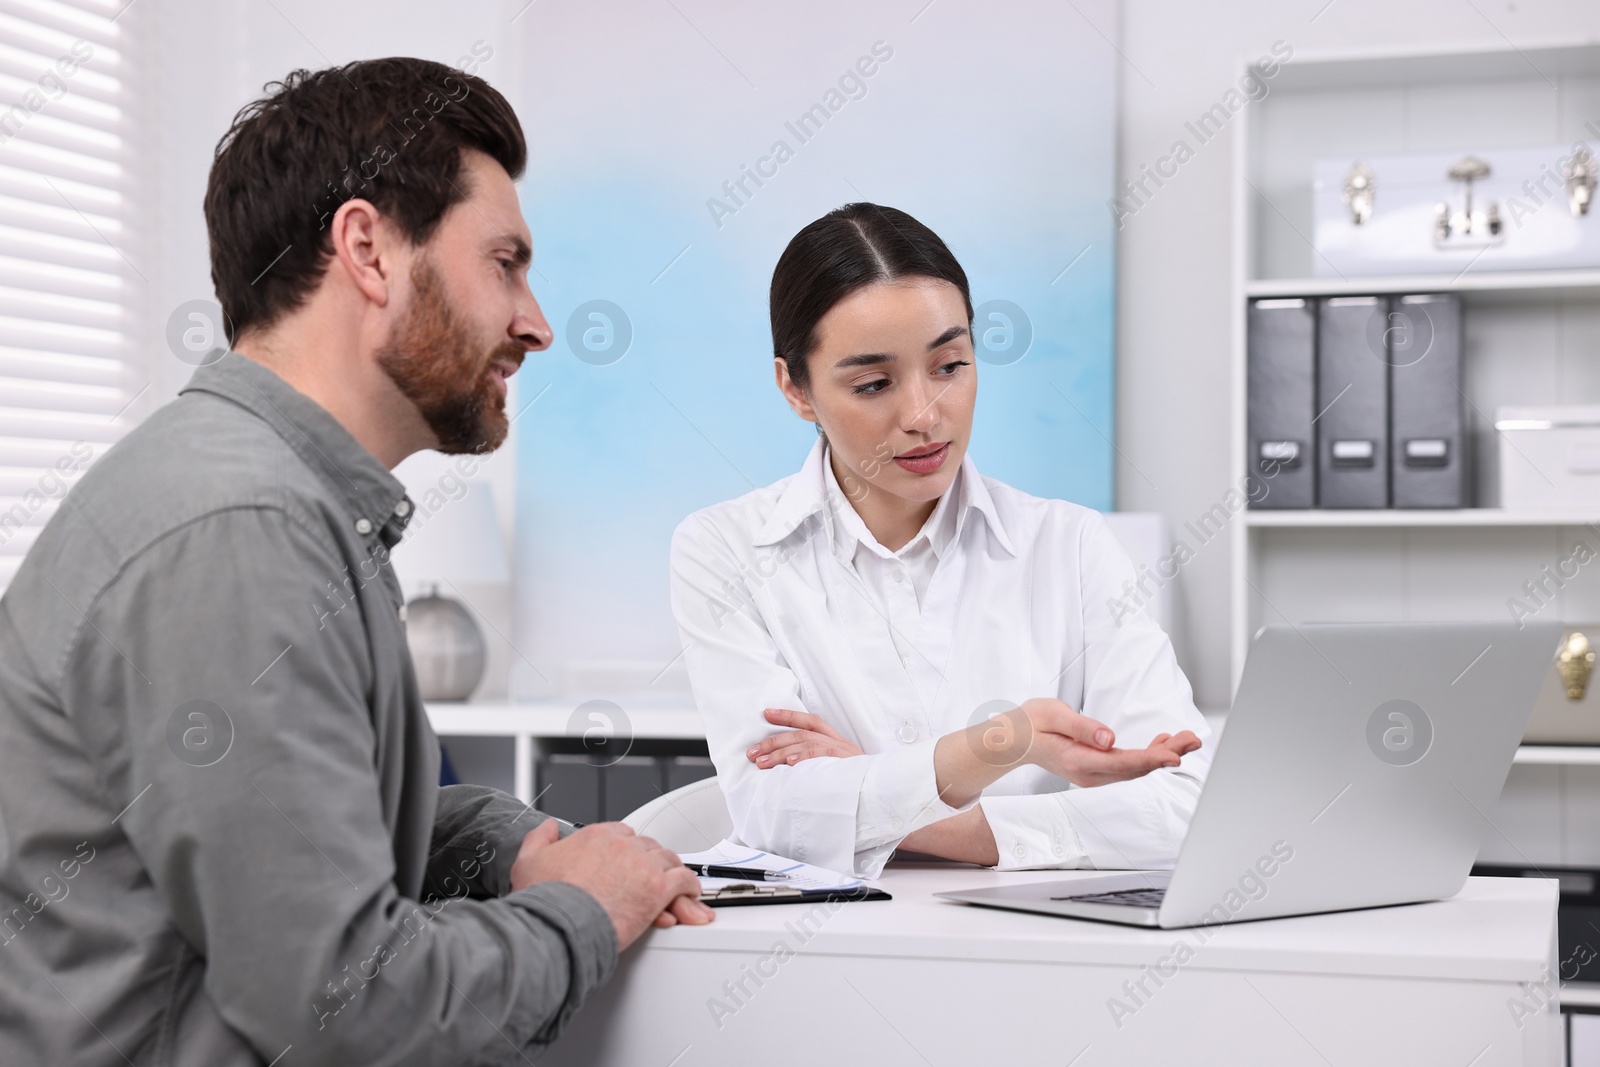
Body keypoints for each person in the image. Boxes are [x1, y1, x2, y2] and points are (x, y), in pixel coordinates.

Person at [0, 58, 709, 1067]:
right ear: (369, 249)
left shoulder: (272, 498)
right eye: (504, 261)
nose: (536, 323)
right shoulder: (240, 530)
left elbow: (305, 826)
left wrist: (505, 844)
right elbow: (347, 1001)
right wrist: (583, 910)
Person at [670, 203, 1211, 878]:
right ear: (796, 389)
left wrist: (876, 798)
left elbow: (1186, 805)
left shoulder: (1070, 546)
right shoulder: (725, 550)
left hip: (1042, 952)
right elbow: (774, 814)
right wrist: (986, 749)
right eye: (873, 384)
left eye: (950, 365)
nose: (925, 416)